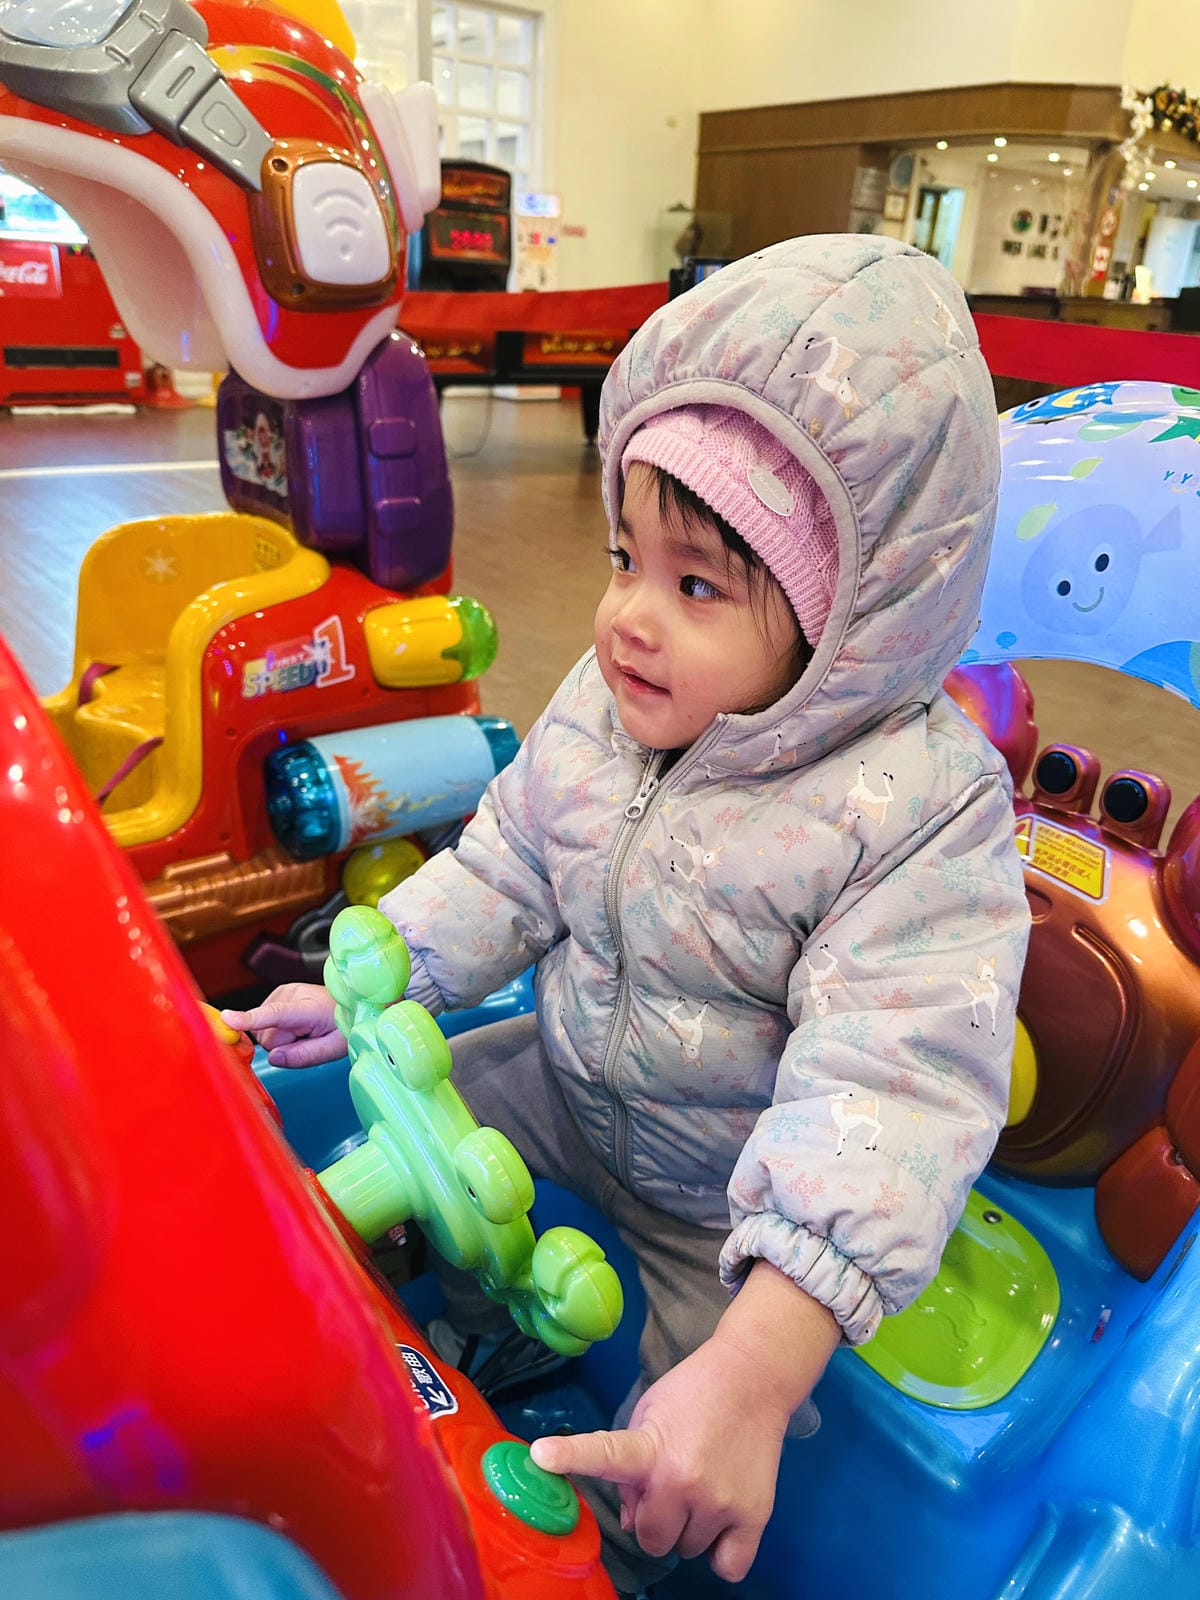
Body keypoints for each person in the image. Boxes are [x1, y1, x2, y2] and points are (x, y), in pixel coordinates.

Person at [224, 234, 1031, 1596]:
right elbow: (511, 864)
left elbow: (890, 1084)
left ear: (846, 623)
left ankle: (634, 1553)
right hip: (568, 1078)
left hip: (726, 1196)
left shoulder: (917, 812)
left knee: (706, 1416)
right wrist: (384, 979)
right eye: (622, 557)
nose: (625, 621)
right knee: (422, 1101)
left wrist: (760, 1368)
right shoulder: (610, 705)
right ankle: (495, 1324)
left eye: (696, 583)